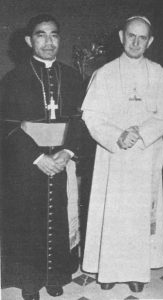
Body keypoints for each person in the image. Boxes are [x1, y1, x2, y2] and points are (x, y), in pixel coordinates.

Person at [81, 16, 163, 292]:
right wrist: (117, 135)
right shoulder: (105, 73)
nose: (135, 42)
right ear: (121, 36)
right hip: (113, 156)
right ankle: (108, 272)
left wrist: (141, 132)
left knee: (138, 214)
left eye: (142, 38)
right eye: (131, 36)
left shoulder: (159, 74)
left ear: (150, 41)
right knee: (113, 213)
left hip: (146, 154)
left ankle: (136, 273)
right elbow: (92, 116)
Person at [1, 14, 84, 300]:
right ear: (28, 40)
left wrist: (67, 151)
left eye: (54, 35)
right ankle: (29, 281)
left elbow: (80, 122)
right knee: (28, 222)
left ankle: (56, 275)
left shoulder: (73, 77)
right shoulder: (13, 79)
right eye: (41, 35)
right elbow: (7, 127)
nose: (48, 41)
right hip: (27, 165)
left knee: (59, 217)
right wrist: (38, 158)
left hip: (61, 160)